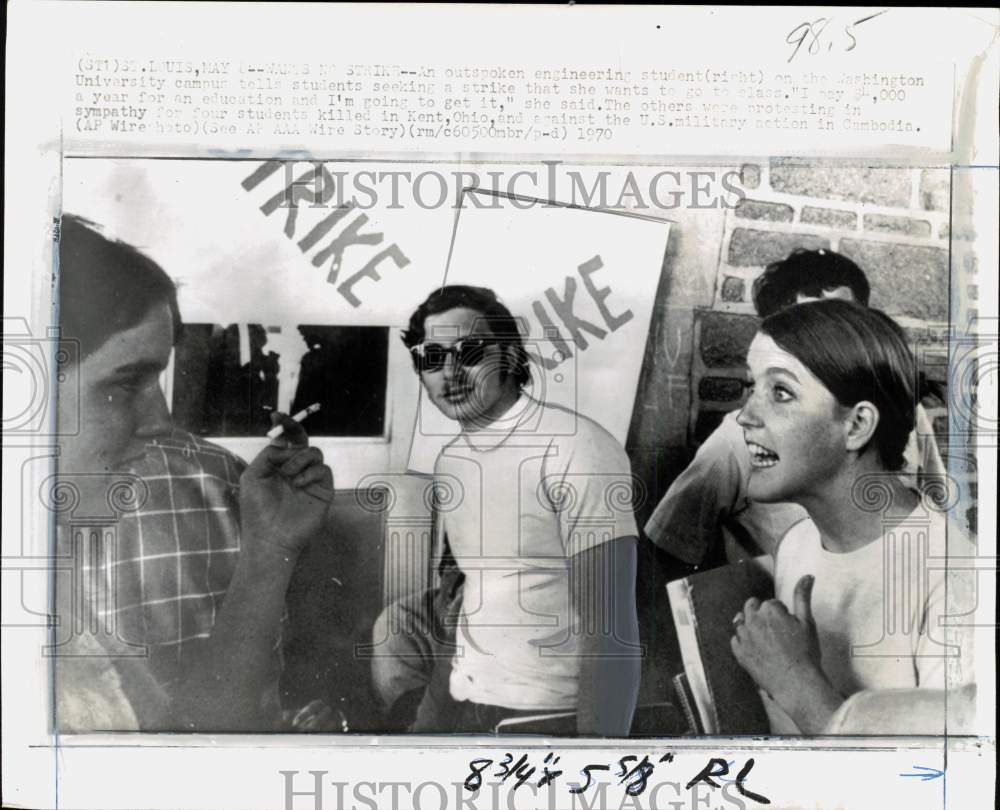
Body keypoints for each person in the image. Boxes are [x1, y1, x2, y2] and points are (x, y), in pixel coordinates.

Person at [53, 214, 334, 732]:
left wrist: (268, 549)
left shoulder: (56, 574)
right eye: (124, 384)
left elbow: (186, 737)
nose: (161, 423)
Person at [371, 285, 641, 735]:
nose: (450, 372)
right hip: (469, 708)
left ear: (511, 356)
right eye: (432, 357)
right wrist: (428, 728)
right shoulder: (453, 461)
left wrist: (595, 757)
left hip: (546, 720)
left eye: (470, 352)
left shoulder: (576, 447)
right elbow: (464, 605)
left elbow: (611, 630)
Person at [729, 299, 974, 734]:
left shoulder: (954, 578)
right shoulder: (798, 543)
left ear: (857, 425)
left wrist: (795, 682)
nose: (744, 416)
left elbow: (945, 771)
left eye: (781, 392)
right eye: (752, 387)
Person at [644, 249, 944, 566]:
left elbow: (936, 508)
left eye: (846, 322)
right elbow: (666, 548)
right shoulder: (739, 439)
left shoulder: (903, 414)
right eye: (808, 329)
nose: (831, 343)